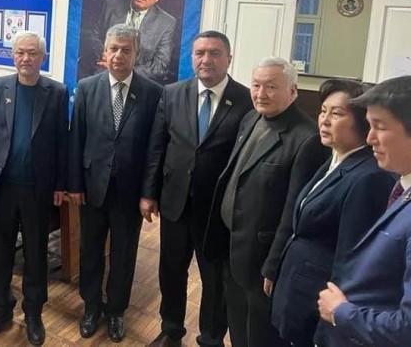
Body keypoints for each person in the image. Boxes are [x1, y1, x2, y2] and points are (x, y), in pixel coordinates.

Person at [206, 57, 329, 347]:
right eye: (256, 85)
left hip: (262, 258)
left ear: (293, 91)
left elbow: (294, 212)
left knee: (259, 334)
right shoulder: (251, 118)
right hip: (233, 244)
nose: (261, 94)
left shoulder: (307, 139)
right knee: (237, 321)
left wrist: (273, 266)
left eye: (271, 87)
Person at [142, 30, 253, 347]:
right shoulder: (172, 93)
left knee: (214, 278)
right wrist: (148, 193)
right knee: (171, 270)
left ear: (229, 59)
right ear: (192, 58)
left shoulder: (247, 100)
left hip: (218, 210)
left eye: (214, 53)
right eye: (200, 53)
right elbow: (157, 147)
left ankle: (211, 338)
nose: (206, 59)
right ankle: (171, 329)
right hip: (175, 202)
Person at [271, 79, 394, 347]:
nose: (324, 120)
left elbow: (349, 260)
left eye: (336, 113)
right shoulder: (335, 159)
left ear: (363, 122)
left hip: (320, 310)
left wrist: (329, 328)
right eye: (323, 111)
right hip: (299, 294)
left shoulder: (368, 177)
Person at [0, 31, 69, 346]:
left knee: (36, 255)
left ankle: (33, 313)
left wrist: (60, 184)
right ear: (13, 56)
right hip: (1, 187)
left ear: (43, 58)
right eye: (20, 52)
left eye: (32, 53)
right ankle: (1, 310)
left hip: (37, 189)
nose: (26, 58)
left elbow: (62, 143)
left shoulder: (56, 92)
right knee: (0, 253)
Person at [67, 24, 162, 343]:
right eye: (114, 49)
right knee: (90, 251)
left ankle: (116, 310)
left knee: (123, 254)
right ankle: (91, 307)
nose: (119, 55)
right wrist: (75, 184)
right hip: (92, 187)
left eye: (126, 49)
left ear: (137, 53)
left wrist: (149, 193)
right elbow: (76, 138)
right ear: (105, 52)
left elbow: (154, 149)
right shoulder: (87, 87)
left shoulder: (152, 92)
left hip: (130, 193)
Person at [315, 75, 411, 347]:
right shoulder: (402, 188)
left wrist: (341, 313)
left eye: (379, 127)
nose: (370, 138)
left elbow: (407, 328)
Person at [87, 0, 177, 85]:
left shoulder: (166, 23)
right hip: (102, 74)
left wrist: (124, 71)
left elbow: (160, 66)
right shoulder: (110, 5)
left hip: (137, 83)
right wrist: (104, 52)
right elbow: (91, 35)